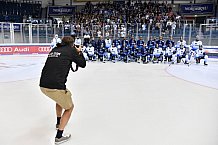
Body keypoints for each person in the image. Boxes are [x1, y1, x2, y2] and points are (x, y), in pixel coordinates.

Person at [39, 36, 86, 144]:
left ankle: (58, 122)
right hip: (55, 86)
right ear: (72, 44)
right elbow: (83, 64)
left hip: (43, 85)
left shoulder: (54, 49)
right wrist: (79, 52)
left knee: (59, 100)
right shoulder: (71, 50)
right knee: (69, 108)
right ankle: (59, 137)